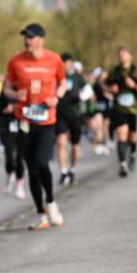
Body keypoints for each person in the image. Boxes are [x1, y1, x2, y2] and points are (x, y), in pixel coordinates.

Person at [4, 23, 66, 230]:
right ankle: (41, 214)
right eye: (25, 37)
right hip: (24, 119)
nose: (27, 41)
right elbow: (7, 88)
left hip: (46, 119)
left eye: (30, 37)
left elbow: (63, 83)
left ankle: (51, 202)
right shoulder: (16, 61)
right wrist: (15, 95)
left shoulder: (54, 59)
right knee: (31, 168)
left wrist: (57, 97)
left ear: (41, 39)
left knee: (42, 162)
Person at [105, 47, 137, 177]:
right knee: (121, 135)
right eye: (120, 54)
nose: (122, 56)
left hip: (135, 109)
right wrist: (110, 88)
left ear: (130, 56)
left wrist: (135, 86)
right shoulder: (114, 71)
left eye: (124, 54)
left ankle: (133, 155)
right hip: (119, 108)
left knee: (132, 137)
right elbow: (105, 85)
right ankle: (122, 164)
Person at [55, 54, 89, 186]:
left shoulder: (77, 76)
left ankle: (73, 169)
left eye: (67, 62)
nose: (64, 64)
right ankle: (63, 172)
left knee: (75, 145)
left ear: (71, 63)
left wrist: (80, 97)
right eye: (62, 62)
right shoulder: (57, 75)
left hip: (75, 114)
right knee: (61, 143)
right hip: (60, 114)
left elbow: (88, 90)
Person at [0, 78, 27, 199]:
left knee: (20, 158)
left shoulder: (25, 93)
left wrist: (16, 108)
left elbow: (31, 109)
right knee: (9, 157)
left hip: (22, 129)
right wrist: (5, 111)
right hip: (8, 129)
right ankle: (9, 176)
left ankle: (20, 185)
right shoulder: (3, 95)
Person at [88, 67, 111, 155]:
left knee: (105, 126)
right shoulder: (94, 84)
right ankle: (97, 145)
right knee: (98, 127)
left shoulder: (106, 83)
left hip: (106, 107)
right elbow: (91, 96)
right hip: (97, 109)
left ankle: (103, 143)